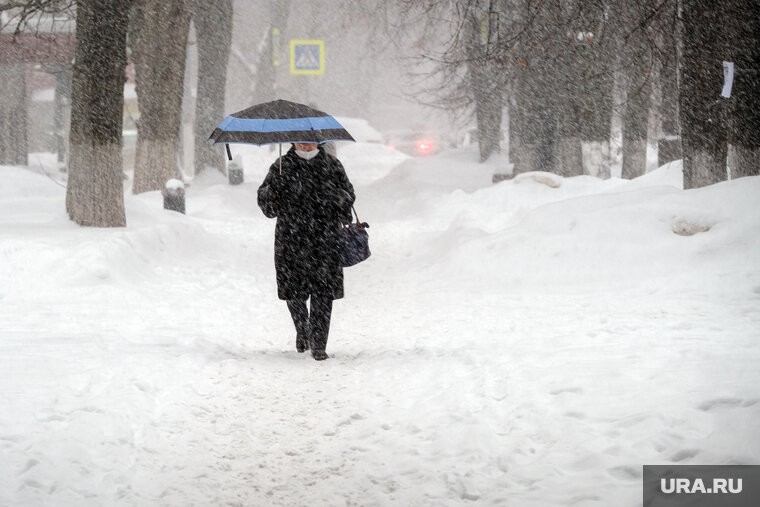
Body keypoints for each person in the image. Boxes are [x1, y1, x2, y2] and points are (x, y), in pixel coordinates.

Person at [257, 142, 355, 361]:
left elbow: (348, 195)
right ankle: (303, 330)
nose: (305, 144)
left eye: (309, 139)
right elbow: (264, 199)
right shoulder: (282, 166)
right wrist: (272, 192)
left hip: (325, 238)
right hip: (291, 238)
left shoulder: (331, 165)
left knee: (323, 292)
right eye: (300, 139)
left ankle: (319, 344)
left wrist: (340, 199)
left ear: (318, 140)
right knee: (294, 291)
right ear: (292, 142)